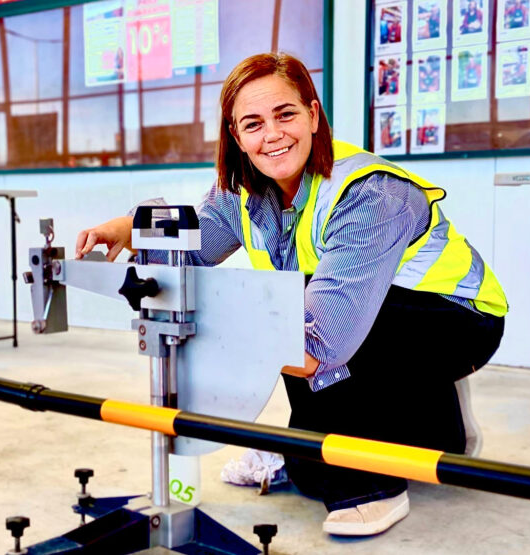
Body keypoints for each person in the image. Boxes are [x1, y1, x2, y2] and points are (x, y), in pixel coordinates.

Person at [75, 53, 507, 538]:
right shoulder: (240, 191)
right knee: (305, 460)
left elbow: (320, 345)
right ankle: (438, 426)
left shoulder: (371, 194)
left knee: (290, 318)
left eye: (285, 114)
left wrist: (225, 331)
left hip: (457, 322)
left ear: (313, 115)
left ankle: (369, 488)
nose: (273, 135)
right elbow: (194, 246)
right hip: (363, 316)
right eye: (253, 124)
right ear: (236, 136)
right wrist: (131, 228)